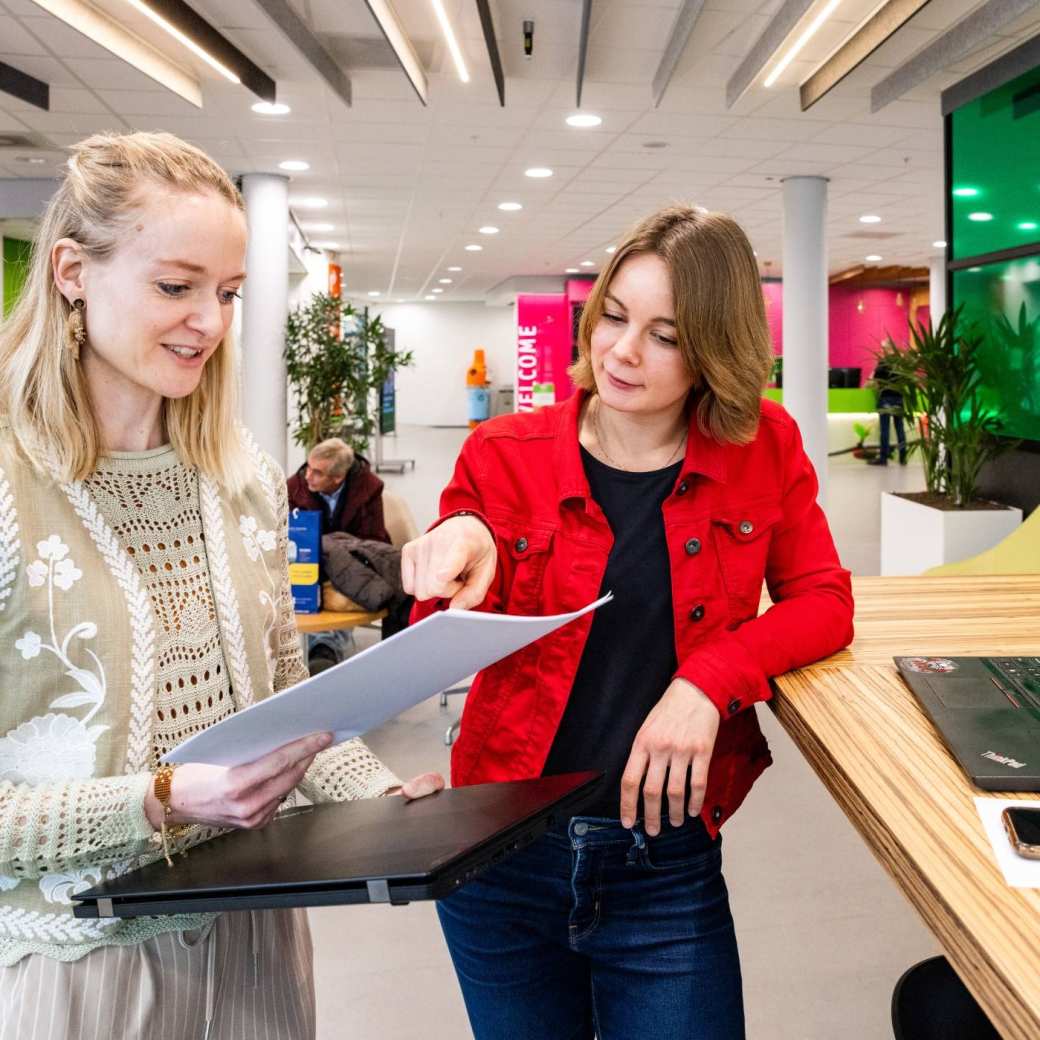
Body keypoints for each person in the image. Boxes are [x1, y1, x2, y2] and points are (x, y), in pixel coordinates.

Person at [0, 131, 441, 1040]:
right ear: (72, 271)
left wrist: (382, 801)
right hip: (80, 967)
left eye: (229, 294)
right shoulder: (13, 484)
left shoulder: (236, 474)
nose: (209, 319)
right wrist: (159, 800)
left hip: (256, 948)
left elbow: (284, 705)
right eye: (176, 286)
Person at [402, 205, 854, 1040]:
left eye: (666, 335)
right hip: (495, 857)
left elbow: (824, 601)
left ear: (714, 351)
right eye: (613, 315)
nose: (620, 351)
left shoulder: (764, 445)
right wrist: (455, 542)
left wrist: (707, 683)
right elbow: (442, 620)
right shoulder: (502, 452)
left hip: (663, 862)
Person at [287, 437, 390, 542]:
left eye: (317, 472)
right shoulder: (293, 488)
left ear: (339, 477)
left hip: (357, 555)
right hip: (310, 557)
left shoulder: (370, 487)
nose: (307, 476)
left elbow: (373, 539)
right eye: (308, 467)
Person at [868, 359, 908, 465]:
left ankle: (883, 458)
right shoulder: (899, 364)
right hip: (898, 398)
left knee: (885, 430)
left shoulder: (882, 364)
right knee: (900, 429)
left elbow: (874, 382)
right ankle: (903, 458)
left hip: (885, 398)